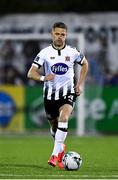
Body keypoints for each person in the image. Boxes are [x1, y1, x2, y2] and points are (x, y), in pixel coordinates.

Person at [27, 22, 88, 168]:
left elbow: (85, 64)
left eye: (63, 34)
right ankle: (60, 148)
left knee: (64, 117)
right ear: (52, 34)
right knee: (54, 127)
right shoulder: (44, 53)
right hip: (49, 97)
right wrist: (43, 78)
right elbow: (30, 73)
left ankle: (54, 155)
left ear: (66, 36)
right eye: (57, 34)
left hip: (68, 93)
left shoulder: (73, 52)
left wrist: (79, 85)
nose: (60, 37)